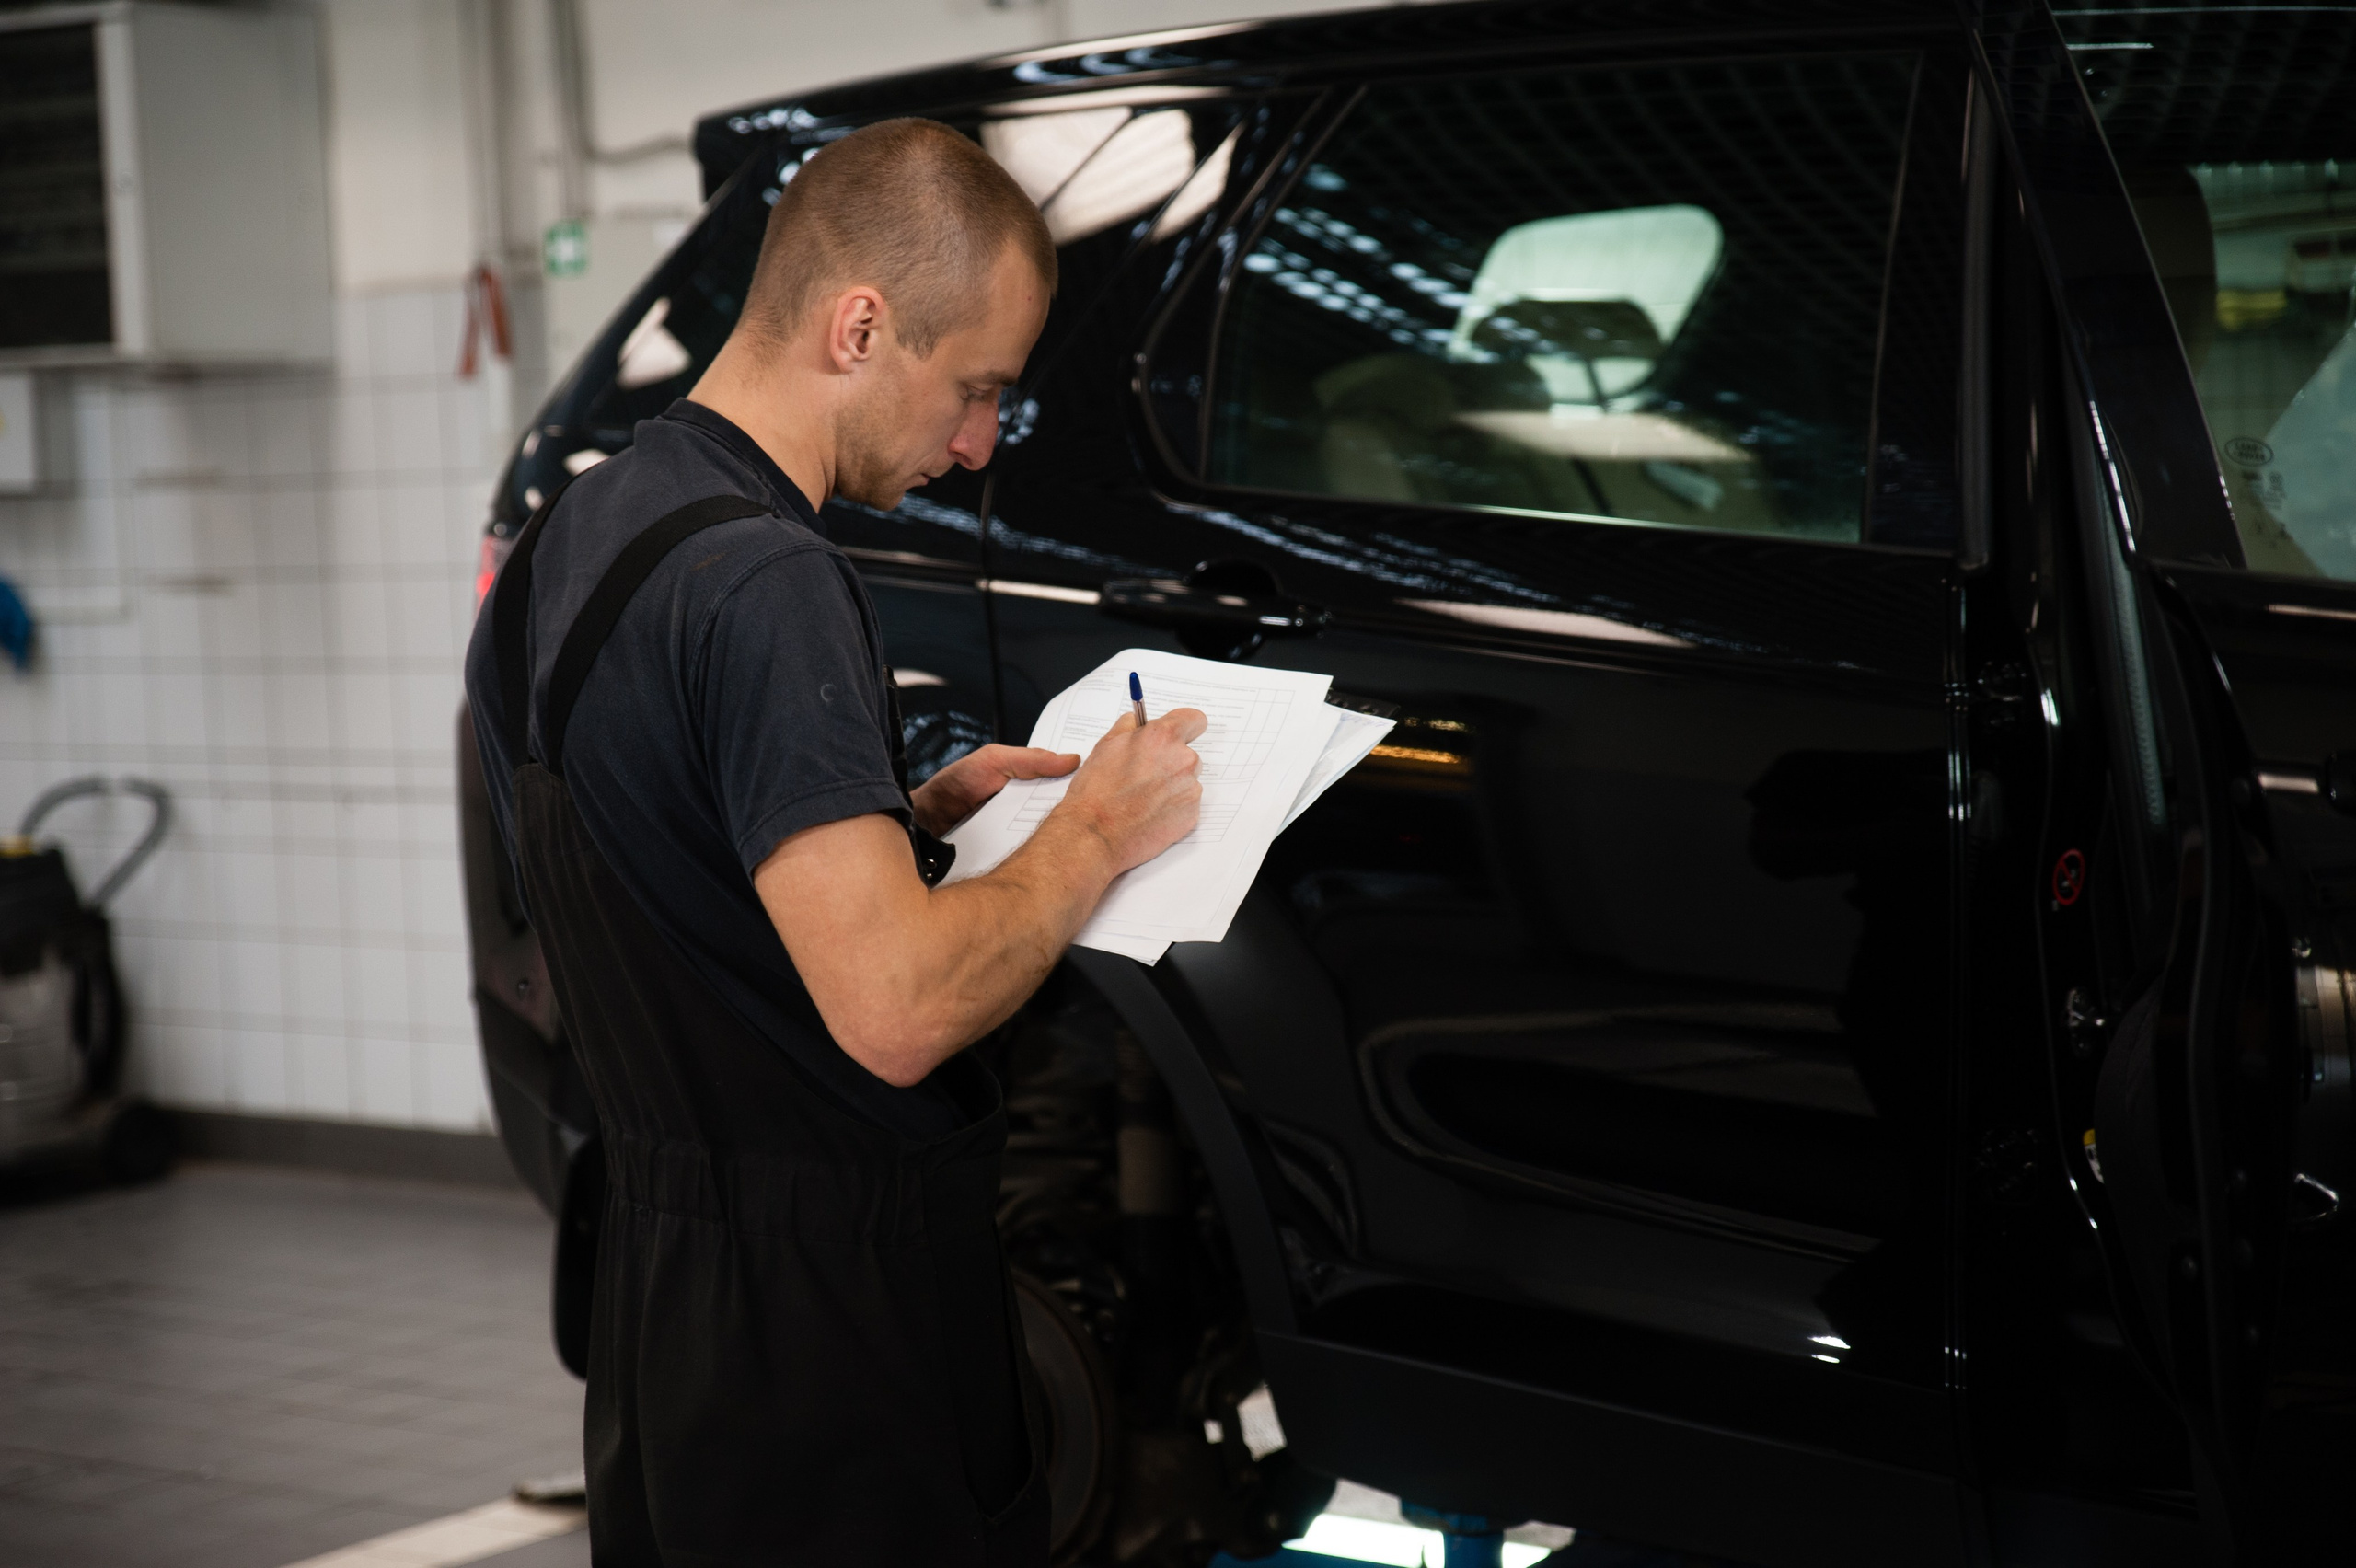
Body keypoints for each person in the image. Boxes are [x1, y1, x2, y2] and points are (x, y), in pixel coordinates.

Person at [462, 117, 1207, 1566]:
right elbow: (898, 1011)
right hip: (830, 1344)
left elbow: (631, 870)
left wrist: (889, 827)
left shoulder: (574, 535)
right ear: (861, 326)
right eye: (976, 387)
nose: (981, 442)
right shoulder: (770, 581)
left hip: (662, 1315)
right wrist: (1090, 840)